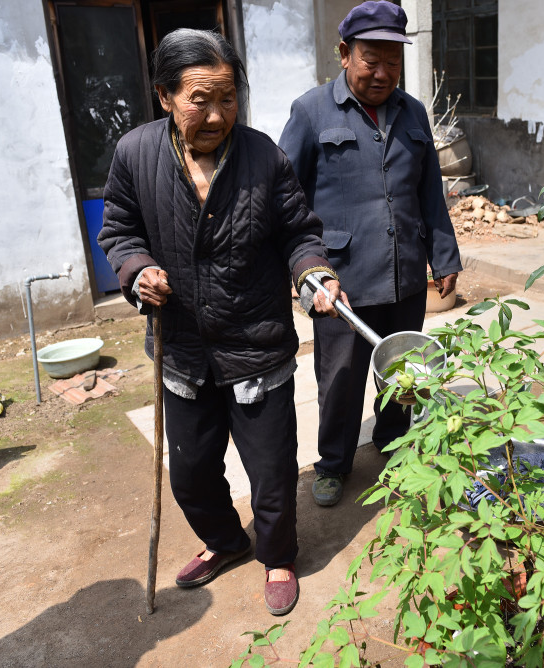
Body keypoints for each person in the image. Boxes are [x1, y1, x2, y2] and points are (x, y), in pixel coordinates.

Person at [98, 28, 345, 616]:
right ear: (165, 96)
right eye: (199, 100)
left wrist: (313, 272)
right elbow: (119, 229)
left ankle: (278, 555)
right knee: (189, 474)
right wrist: (137, 270)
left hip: (255, 344)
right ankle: (225, 542)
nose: (216, 114)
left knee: (272, 474)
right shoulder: (135, 154)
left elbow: (298, 232)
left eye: (228, 98)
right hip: (182, 347)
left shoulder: (264, 156)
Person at [279, 0, 462, 507]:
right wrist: (300, 272)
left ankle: (392, 441)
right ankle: (334, 464)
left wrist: (443, 256)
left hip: (404, 271)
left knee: (402, 371)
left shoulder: (414, 113)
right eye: (370, 59)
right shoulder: (311, 111)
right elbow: (284, 196)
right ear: (344, 54)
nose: (383, 73)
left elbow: (430, 193)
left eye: (393, 61)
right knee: (339, 376)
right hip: (341, 282)